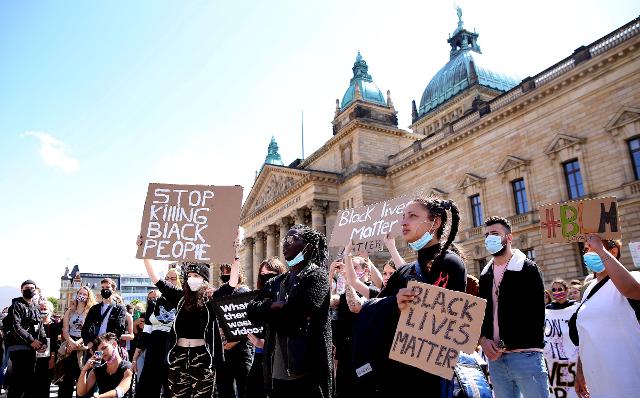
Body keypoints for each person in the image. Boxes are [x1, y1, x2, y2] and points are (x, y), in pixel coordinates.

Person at [355, 197, 467, 397]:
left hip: (430, 379)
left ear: (436, 222)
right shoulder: (404, 272)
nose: (403, 222)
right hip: (395, 377)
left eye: (412, 216)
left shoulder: (450, 264)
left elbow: (448, 327)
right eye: (403, 217)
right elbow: (371, 307)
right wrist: (393, 304)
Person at [246, 224, 332, 398]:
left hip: (307, 370)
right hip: (277, 370)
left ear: (308, 246)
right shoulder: (277, 281)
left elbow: (296, 316)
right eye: (285, 239)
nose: (285, 244)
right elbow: (251, 310)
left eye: (292, 239)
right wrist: (272, 306)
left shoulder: (317, 277)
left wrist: (272, 313)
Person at [478, 216, 548, 398]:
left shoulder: (528, 269)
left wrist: (503, 343)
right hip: (496, 360)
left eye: (494, 233)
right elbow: (484, 315)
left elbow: (535, 316)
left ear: (509, 238)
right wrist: (483, 339)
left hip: (526, 357)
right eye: (486, 235)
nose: (489, 238)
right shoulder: (485, 275)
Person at [142, 258, 224, 398]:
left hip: (202, 357)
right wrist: (145, 255)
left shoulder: (210, 299)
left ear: (204, 279)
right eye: (189, 276)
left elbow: (232, 285)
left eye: (196, 276)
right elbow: (157, 280)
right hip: (179, 356)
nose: (192, 279)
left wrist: (235, 259)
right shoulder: (179, 296)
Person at [574, 235, 640, 398]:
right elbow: (586, 334)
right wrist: (580, 370)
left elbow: (633, 289)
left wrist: (600, 250)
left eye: (593, 247)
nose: (588, 252)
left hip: (628, 380)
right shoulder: (588, 290)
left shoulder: (633, 277)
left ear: (613, 251)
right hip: (598, 381)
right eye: (586, 249)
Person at [246, 257, 287, 398]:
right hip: (258, 357)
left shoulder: (284, 299)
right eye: (262, 275)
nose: (266, 279)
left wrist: (265, 343)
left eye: (270, 275)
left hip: (277, 359)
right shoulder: (258, 300)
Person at [213, 261, 254, 398]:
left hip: (241, 349)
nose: (226, 274)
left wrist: (233, 340)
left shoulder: (244, 292)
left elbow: (247, 322)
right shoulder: (220, 293)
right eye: (223, 272)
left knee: (245, 389)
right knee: (224, 390)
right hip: (223, 351)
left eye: (229, 271)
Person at [6, 279, 48, 398]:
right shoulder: (16, 306)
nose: (30, 290)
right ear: (21, 290)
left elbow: (40, 327)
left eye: (32, 288)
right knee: (17, 382)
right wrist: (31, 340)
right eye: (26, 288)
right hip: (19, 348)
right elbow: (16, 327)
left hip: (32, 350)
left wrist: (43, 342)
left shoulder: (35, 307)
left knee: (30, 383)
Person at [58, 286, 97, 398]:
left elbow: (89, 330)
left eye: (85, 294)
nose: (82, 296)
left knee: (81, 377)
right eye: (80, 293)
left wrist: (77, 343)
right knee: (66, 380)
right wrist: (71, 342)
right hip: (70, 346)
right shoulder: (70, 311)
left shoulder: (91, 311)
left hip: (84, 345)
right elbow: (65, 329)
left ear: (88, 296)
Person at [76, 332, 133, 398]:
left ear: (114, 344)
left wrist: (98, 397)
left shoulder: (127, 368)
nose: (102, 352)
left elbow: (119, 392)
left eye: (104, 348)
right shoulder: (98, 370)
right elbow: (81, 392)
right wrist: (84, 370)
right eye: (99, 351)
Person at [81, 278, 127, 350]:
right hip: (95, 345)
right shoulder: (94, 308)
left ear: (113, 290)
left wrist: (108, 342)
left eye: (108, 287)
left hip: (110, 346)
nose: (105, 290)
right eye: (102, 287)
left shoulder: (120, 309)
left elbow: (119, 328)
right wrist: (89, 342)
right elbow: (85, 328)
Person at [34, 299, 61, 397]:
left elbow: (54, 343)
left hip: (48, 358)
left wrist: (52, 358)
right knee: (34, 385)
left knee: (45, 385)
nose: (42, 310)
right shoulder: (35, 323)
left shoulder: (54, 325)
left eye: (45, 308)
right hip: (35, 358)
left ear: (50, 310)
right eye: (40, 308)